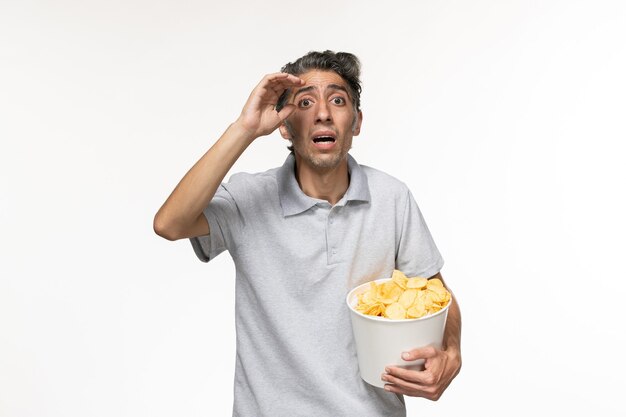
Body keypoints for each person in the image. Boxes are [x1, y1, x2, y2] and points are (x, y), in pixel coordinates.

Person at [154, 50, 462, 417]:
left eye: (337, 99)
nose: (322, 113)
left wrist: (452, 354)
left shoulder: (392, 197)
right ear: (284, 124)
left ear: (357, 121)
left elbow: (437, 294)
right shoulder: (248, 198)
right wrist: (245, 128)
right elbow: (169, 224)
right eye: (305, 102)